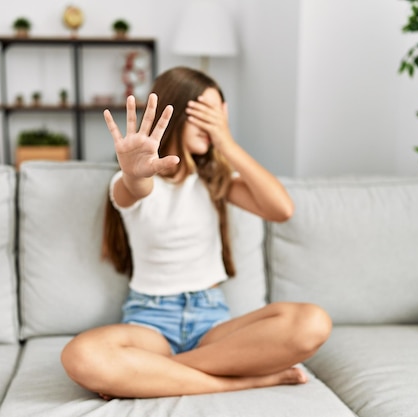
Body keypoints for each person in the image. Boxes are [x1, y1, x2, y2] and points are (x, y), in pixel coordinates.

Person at [61, 66, 331, 399]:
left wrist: (226, 142)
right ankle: (241, 381)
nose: (212, 124)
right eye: (204, 114)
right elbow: (136, 187)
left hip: (211, 324)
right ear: (172, 112)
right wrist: (133, 173)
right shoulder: (130, 183)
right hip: (150, 323)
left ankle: (151, 373)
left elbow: (281, 209)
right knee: (80, 355)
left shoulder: (215, 180)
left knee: (313, 322)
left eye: (218, 115)